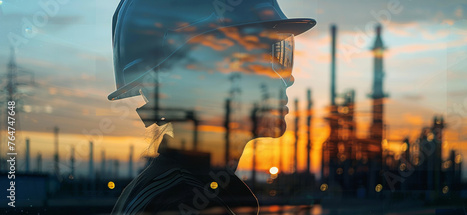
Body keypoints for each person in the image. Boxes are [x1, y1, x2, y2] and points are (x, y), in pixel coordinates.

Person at [108, 0, 315, 214]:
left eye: (279, 56)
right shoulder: (184, 203)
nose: (284, 79)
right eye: (254, 62)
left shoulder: (179, 192)